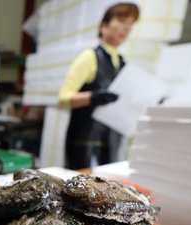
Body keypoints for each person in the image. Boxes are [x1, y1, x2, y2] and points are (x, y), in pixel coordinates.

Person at [59, 2, 139, 169]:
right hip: (85, 141)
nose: (126, 28)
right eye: (122, 21)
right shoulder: (90, 57)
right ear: (104, 26)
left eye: (130, 24)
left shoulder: (123, 64)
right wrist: (94, 97)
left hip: (112, 141)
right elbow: (63, 98)